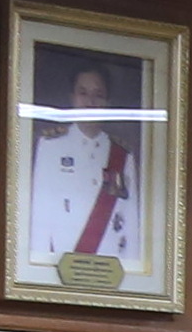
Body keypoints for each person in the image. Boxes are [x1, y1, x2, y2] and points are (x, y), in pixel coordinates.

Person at [21, 58, 139, 270]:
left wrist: (132, 271)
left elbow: (131, 222)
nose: (90, 101)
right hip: (62, 268)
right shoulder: (51, 146)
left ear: (108, 103)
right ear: (72, 98)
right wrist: (39, 270)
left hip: (110, 271)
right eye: (83, 93)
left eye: (98, 94)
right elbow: (40, 217)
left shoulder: (122, 155)